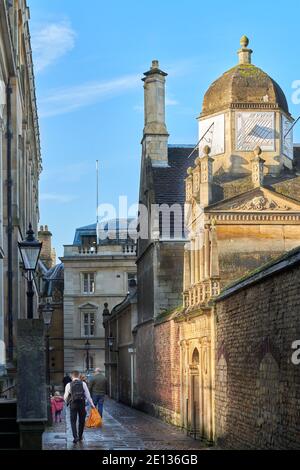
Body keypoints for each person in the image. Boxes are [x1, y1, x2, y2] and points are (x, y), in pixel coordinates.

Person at [64, 370, 95, 444]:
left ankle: (75, 437)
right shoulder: (83, 384)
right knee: (82, 420)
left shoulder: (69, 384)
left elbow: (65, 396)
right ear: (78, 376)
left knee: (73, 421)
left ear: (72, 376)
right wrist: (92, 405)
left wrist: (67, 402)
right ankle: (80, 436)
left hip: (73, 403)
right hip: (82, 403)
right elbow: (88, 395)